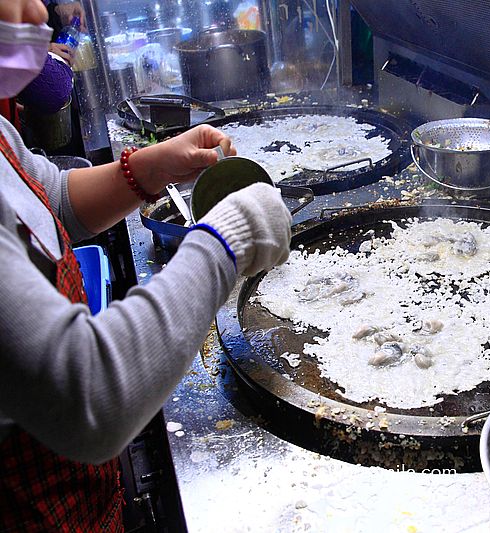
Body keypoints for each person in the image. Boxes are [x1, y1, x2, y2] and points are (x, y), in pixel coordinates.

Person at [0, 1, 293, 530]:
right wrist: (230, 238)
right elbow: (86, 395)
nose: (39, 7)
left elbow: (44, 197)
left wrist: (152, 167)